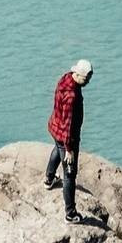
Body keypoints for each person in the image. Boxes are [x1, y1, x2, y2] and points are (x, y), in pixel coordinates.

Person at [44, 59, 92, 222]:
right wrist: (70, 150)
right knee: (69, 174)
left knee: (57, 149)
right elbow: (68, 125)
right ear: (77, 74)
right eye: (86, 78)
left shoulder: (65, 78)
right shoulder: (72, 97)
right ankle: (70, 213)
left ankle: (49, 178)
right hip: (66, 136)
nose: (88, 81)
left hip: (54, 127)